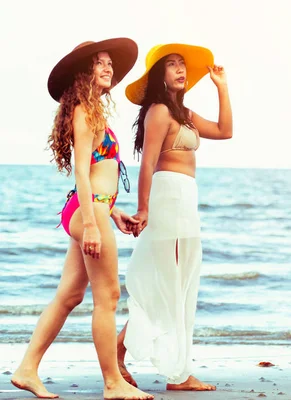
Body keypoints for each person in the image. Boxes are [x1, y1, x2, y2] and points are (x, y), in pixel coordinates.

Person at [10, 38, 153, 400]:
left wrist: (111, 213)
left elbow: (96, 174)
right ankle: (111, 383)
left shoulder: (90, 110)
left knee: (69, 295)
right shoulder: (84, 112)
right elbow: (81, 172)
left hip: (91, 208)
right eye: (99, 63)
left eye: (109, 63)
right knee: (108, 296)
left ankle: (27, 369)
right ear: (83, 72)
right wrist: (92, 223)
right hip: (86, 210)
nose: (108, 68)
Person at [115, 43, 232, 391]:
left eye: (183, 64)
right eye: (172, 65)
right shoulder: (159, 112)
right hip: (167, 196)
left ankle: (177, 370)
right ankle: (151, 365)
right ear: (159, 75)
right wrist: (144, 208)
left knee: (180, 284)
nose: (180, 70)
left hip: (186, 198)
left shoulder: (185, 114)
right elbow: (148, 163)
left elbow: (226, 131)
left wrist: (222, 88)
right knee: (165, 284)